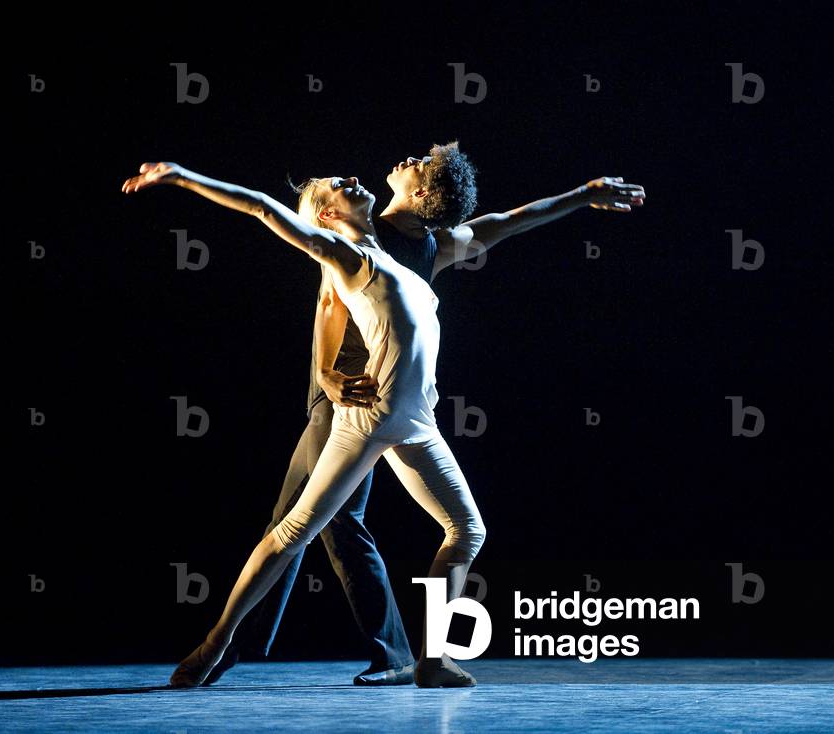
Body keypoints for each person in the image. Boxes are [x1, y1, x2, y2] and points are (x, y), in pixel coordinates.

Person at [204, 142, 646, 688]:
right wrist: (325, 373)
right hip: (348, 389)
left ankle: (362, 651)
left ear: (423, 196)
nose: (406, 161)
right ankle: (244, 643)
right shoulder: (357, 232)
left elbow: (508, 222)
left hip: (389, 401)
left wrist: (581, 196)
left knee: (323, 521)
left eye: (420, 166)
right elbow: (328, 301)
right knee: (311, 521)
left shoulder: (426, 244)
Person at [122, 161, 488, 688]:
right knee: (294, 530)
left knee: (467, 530)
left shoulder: (398, 255)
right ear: (328, 215)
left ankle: (432, 659)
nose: (353, 180)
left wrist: (582, 195)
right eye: (339, 186)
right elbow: (261, 207)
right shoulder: (347, 255)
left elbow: (501, 224)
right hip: (368, 418)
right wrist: (182, 177)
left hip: (416, 424)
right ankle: (217, 641)